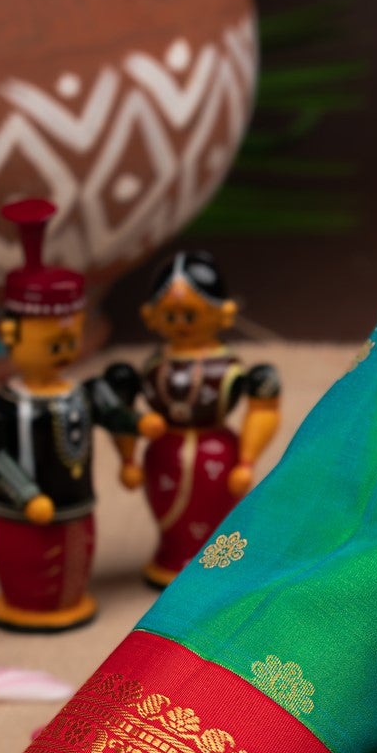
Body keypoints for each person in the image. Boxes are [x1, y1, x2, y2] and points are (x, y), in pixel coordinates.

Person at [0, 199, 142, 631]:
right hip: (21, 519)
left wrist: (138, 426)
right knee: (28, 576)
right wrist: (27, 495)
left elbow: (112, 414)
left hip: (77, 511)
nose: (64, 351)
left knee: (71, 571)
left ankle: (67, 602)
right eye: (52, 343)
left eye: (68, 342)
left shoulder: (79, 393)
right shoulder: (7, 407)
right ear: (11, 334)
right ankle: (25, 605)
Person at [123, 250, 281, 586]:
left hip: (218, 456)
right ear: (152, 316)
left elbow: (263, 409)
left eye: (190, 314)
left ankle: (214, 563)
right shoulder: (153, 365)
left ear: (222, 313)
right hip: (163, 454)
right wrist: (128, 457)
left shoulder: (230, 368)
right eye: (171, 315)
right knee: (170, 519)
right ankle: (172, 557)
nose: (181, 323)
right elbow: (121, 408)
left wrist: (247, 461)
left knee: (215, 518)